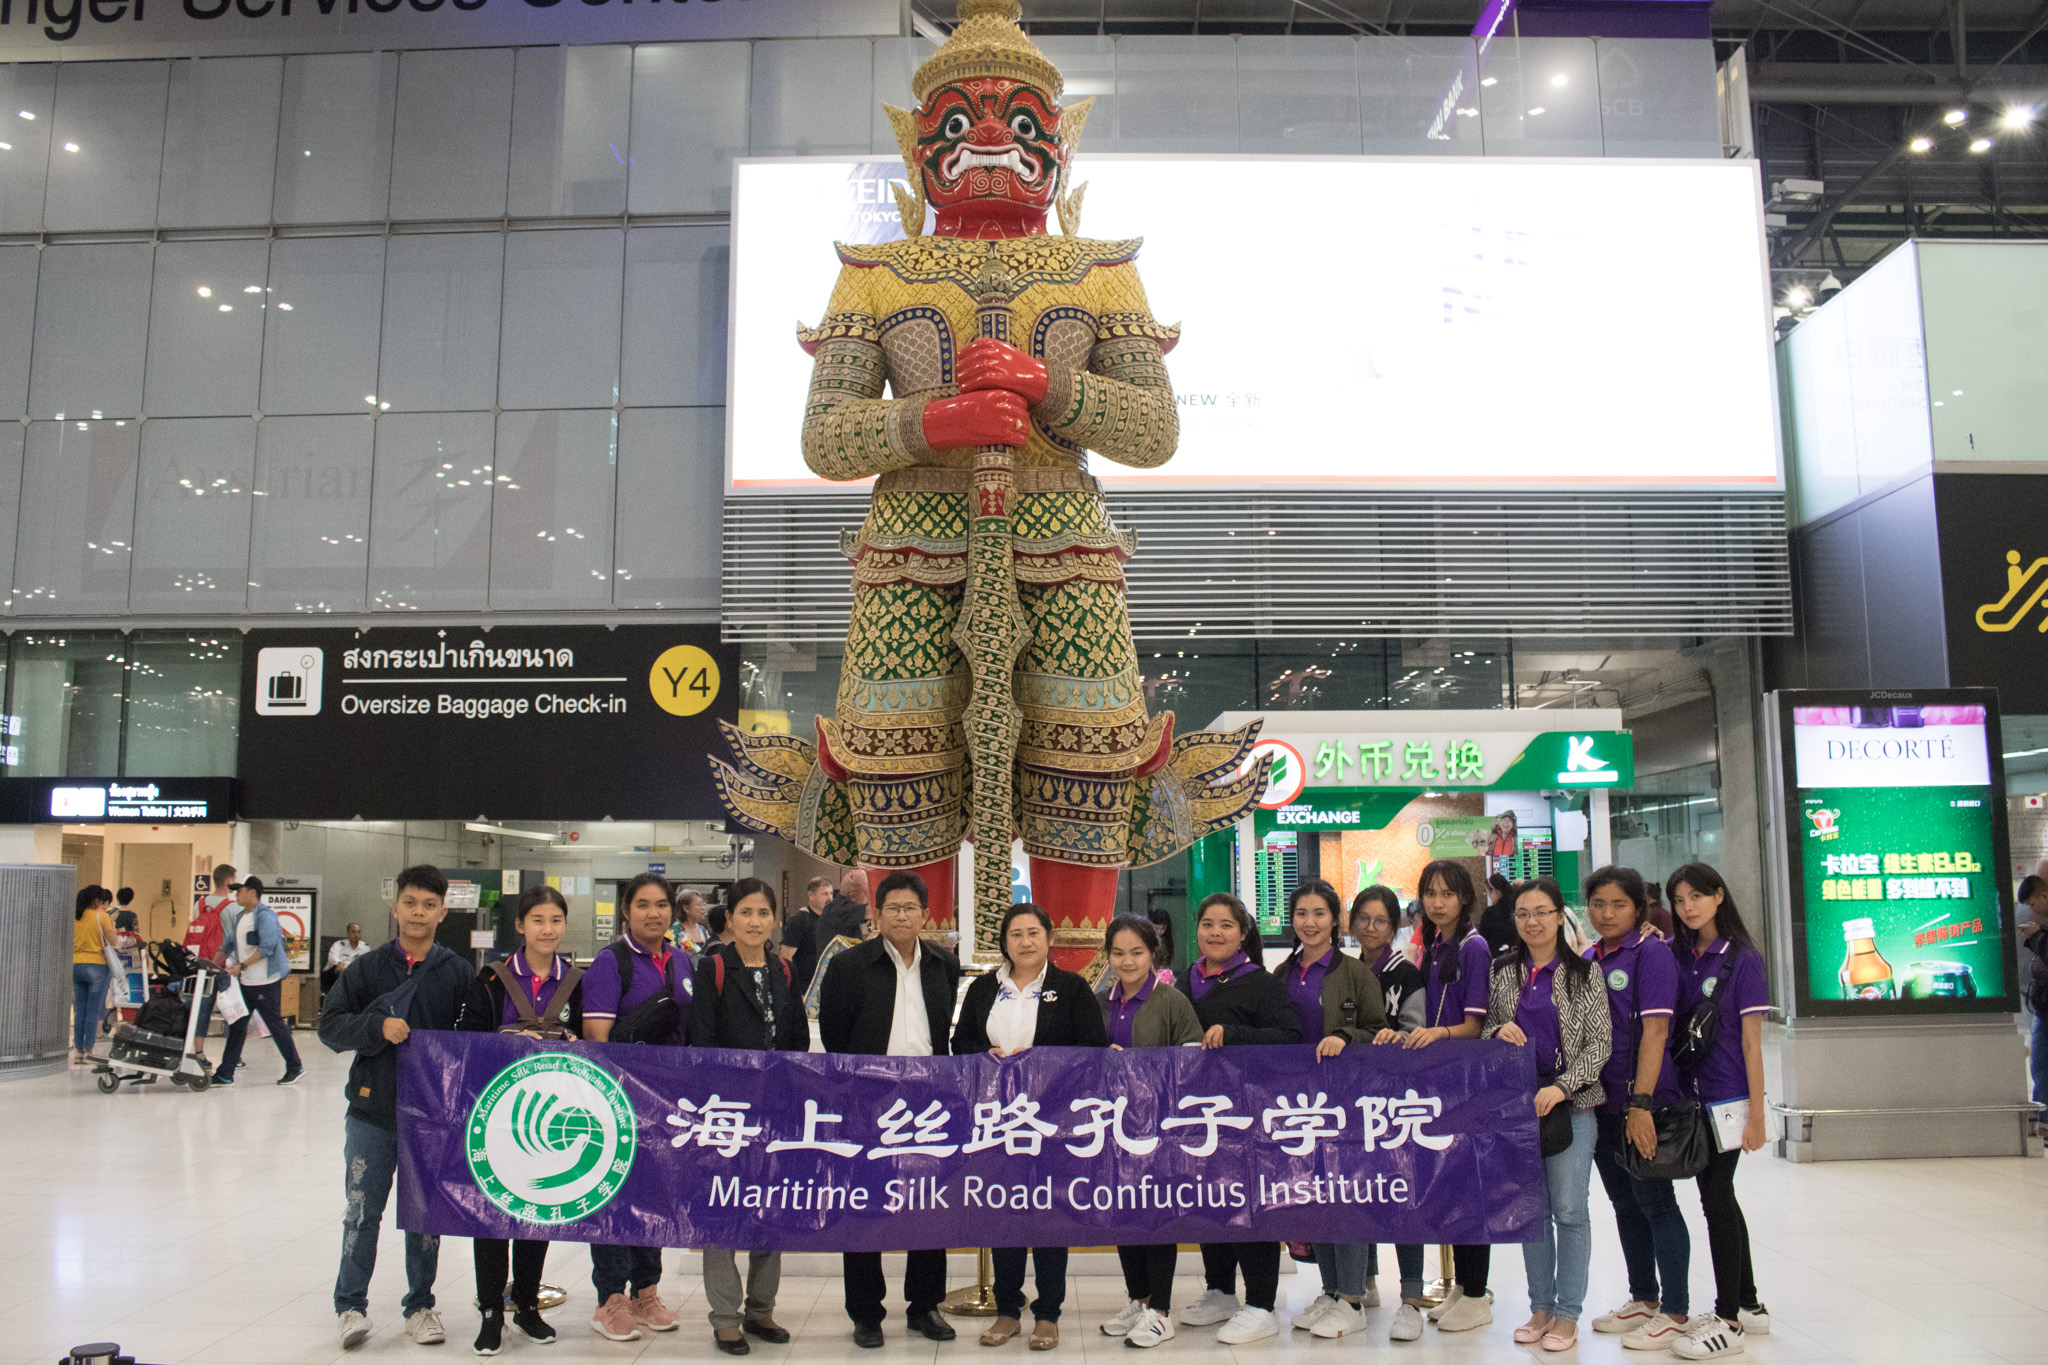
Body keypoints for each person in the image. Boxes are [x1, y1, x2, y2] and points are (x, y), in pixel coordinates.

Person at [320, 865, 472, 1351]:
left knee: (425, 1215)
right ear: (395, 907)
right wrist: (376, 1028)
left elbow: (473, 1041)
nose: (418, 913)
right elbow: (330, 1026)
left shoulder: (457, 972)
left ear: (443, 912)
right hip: (372, 1111)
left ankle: (420, 1306)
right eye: (410, 903)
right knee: (361, 1211)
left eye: (429, 905)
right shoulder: (367, 969)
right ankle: (350, 1306)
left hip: (431, 1116)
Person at [953, 902, 1110, 1350]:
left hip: (1053, 1122)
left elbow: (1092, 1049)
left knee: (1048, 1215)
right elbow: (961, 1043)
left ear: (1049, 939)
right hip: (997, 1122)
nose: (1025, 942)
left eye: (1033, 933)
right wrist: (984, 1056)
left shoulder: (1071, 988)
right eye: (1016, 934)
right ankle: (1007, 1311)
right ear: (1004, 942)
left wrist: (1043, 1064)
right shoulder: (984, 989)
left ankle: (1048, 1314)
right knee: (1004, 1213)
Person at [818, 869, 961, 1348]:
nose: (902, 916)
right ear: (876, 914)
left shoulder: (943, 964)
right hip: (867, 1100)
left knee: (928, 1205)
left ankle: (925, 1306)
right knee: (865, 1205)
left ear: (925, 915)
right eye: (893, 908)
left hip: (927, 1102)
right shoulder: (849, 966)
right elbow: (835, 1035)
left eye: (910, 908)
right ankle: (866, 1313)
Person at [1482, 876, 1610, 1354]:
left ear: (1560, 916)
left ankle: (1568, 1313)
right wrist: (1497, 1030)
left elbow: (1600, 1044)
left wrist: (1562, 1087)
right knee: (1532, 1211)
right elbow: (1486, 1031)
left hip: (1571, 1104)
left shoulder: (1585, 972)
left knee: (1570, 1211)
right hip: (1519, 1108)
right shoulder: (1502, 971)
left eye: (1541, 912)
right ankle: (1541, 1307)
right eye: (1522, 913)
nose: (1532, 922)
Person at [456, 885, 583, 1356]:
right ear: (520, 925)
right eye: (538, 920)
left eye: (555, 920)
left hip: (554, 1116)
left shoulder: (576, 981)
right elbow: (467, 1042)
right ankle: (491, 1311)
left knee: (538, 1208)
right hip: (497, 1116)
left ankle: (528, 1305)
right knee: (492, 1214)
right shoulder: (492, 979)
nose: (547, 930)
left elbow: (592, 1041)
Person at [1176, 892, 1302, 1344]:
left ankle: (1262, 1304)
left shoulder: (1261, 984)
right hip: (1197, 1117)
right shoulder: (1183, 982)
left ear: (1243, 933)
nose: (1215, 933)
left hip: (1248, 1117)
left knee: (1249, 1205)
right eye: (1207, 924)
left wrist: (1234, 1034)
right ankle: (1220, 1291)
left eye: (1226, 925)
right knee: (1209, 1201)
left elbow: (1291, 1037)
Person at [689, 878, 808, 1354]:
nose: (755, 922)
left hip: (776, 1112)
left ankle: (761, 1310)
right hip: (728, 1113)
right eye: (746, 913)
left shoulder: (784, 970)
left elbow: (797, 1039)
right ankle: (725, 1317)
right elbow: (702, 1040)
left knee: (769, 1207)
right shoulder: (714, 967)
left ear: (774, 920)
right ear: (730, 919)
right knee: (722, 1210)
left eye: (763, 913)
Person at [1582, 865, 1694, 1351]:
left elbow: (1656, 1030)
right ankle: (1644, 1298)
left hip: (1643, 1102)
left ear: (1638, 908)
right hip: (1601, 1103)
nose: (1607, 914)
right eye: (1598, 904)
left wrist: (1641, 1104)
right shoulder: (1588, 957)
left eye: (1619, 905)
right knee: (1624, 1202)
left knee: (1656, 1202)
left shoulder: (1652, 954)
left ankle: (1676, 1311)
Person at [1382, 858, 1493, 1336]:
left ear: (1465, 898)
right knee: (1449, 1187)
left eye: (1447, 894)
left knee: (1468, 1189)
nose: (1438, 902)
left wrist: (1436, 1033)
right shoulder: (1435, 945)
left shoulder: (1473, 947)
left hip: (1464, 1080)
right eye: (1430, 893)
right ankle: (1463, 1287)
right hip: (1439, 1081)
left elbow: (1475, 1024)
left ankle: (1477, 1293)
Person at [1667, 862, 1771, 1361]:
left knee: (1715, 1197)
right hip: (1689, 1095)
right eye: (1679, 900)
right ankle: (1749, 1302)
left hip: (1728, 1099)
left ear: (1719, 896)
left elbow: (1752, 1043)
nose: (1688, 908)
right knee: (1719, 1197)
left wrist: (1758, 1113)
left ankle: (1728, 1319)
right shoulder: (1679, 953)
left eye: (1696, 897)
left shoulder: (1743, 958)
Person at [581, 871, 688, 1341]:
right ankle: (610, 1300)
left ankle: (646, 1292)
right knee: (613, 1198)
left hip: (668, 1105)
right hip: (619, 1105)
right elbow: (597, 1039)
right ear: (626, 911)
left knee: (653, 1197)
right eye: (643, 905)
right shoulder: (612, 962)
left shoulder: (682, 961)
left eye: (661, 905)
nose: (653, 913)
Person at [1281, 879, 1387, 1341]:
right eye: (1301, 914)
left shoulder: (1356, 974)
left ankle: (1353, 1298)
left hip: (1347, 1103)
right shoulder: (1284, 973)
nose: (1310, 923)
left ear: (1334, 920)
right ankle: (1330, 1290)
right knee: (1317, 1197)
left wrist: (1346, 1036)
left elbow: (1378, 1030)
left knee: (1348, 1195)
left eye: (1319, 914)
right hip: (1300, 1105)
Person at [1096, 915, 1202, 1349]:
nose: (1127, 962)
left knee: (1157, 1214)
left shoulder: (1172, 1001)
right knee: (1125, 1213)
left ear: (1152, 954)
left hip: (1159, 1129)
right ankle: (1138, 1299)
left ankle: (1160, 1311)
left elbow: (1193, 1058)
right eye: (1118, 953)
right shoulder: (1101, 1002)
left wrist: (1142, 1067)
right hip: (1111, 1129)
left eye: (1137, 952)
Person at [1349, 885, 1427, 1331]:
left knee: (1402, 1194)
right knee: (1361, 1190)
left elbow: (1416, 1029)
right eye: (1364, 919)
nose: (1371, 928)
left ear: (1395, 926)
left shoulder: (1405, 973)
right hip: (1353, 1099)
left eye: (1381, 921)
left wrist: (1395, 1038)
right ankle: (1366, 1280)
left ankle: (1412, 1297)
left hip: (1397, 1099)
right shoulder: (1346, 970)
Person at [213, 879, 305, 1087]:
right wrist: (212, 962)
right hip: (246, 982)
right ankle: (225, 1073)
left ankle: (295, 1067)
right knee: (237, 1025)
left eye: (240, 891)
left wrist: (242, 966)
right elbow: (228, 945)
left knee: (275, 1024)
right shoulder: (240, 917)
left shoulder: (265, 917)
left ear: (252, 892)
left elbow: (268, 947)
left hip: (265, 982)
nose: (236, 895)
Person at [71, 886, 117, 1064]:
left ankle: (78, 1051)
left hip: (77, 965)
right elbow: (112, 942)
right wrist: (112, 924)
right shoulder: (102, 916)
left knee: (79, 1011)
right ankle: (88, 1051)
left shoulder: (76, 916)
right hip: (97, 965)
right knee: (92, 1011)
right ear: (97, 901)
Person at [2021, 876, 2048, 1112]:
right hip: (2043, 1006)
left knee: (2041, 1064)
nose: (2033, 909)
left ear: (2043, 896)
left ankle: (2044, 1119)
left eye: (2032, 904)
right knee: (2040, 1065)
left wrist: (2036, 936)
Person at [780, 875, 833, 994]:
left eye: (831, 893)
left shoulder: (831, 921)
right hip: (804, 989)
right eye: (825, 894)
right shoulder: (800, 920)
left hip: (827, 986)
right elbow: (785, 958)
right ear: (811, 895)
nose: (829, 898)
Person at [818, 868, 872, 946]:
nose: (866, 900)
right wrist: (867, 889)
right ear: (853, 894)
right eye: (865, 894)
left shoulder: (834, 906)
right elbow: (875, 910)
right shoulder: (841, 910)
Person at [324, 923, 370, 992]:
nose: (356, 935)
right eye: (353, 932)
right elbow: (332, 958)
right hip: (335, 974)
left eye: (358, 932)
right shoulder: (339, 945)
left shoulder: (365, 948)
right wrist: (339, 963)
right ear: (347, 934)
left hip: (354, 975)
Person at [1479, 871, 1516, 954]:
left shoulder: (1490, 913)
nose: (1488, 895)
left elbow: (1482, 939)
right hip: (1515, 955)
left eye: (1488, 892)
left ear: (1495, 891)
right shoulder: (1516, 908)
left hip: (1495, 956)